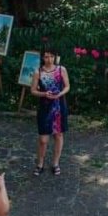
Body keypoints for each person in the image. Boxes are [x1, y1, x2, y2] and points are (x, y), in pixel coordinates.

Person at [30, 47, 70, 176]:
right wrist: (44, 93)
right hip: (45, 108)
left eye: (52, 56)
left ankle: (55, 163)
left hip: (59, 107)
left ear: (55, 57)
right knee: (43, 139)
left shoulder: (61, 69)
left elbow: (67, 86)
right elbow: (33, 90)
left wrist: (59, 94)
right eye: (46, 56)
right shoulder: (38, 72)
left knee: (58, 135)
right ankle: (40, 163)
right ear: (42, 57)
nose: (49, 59)